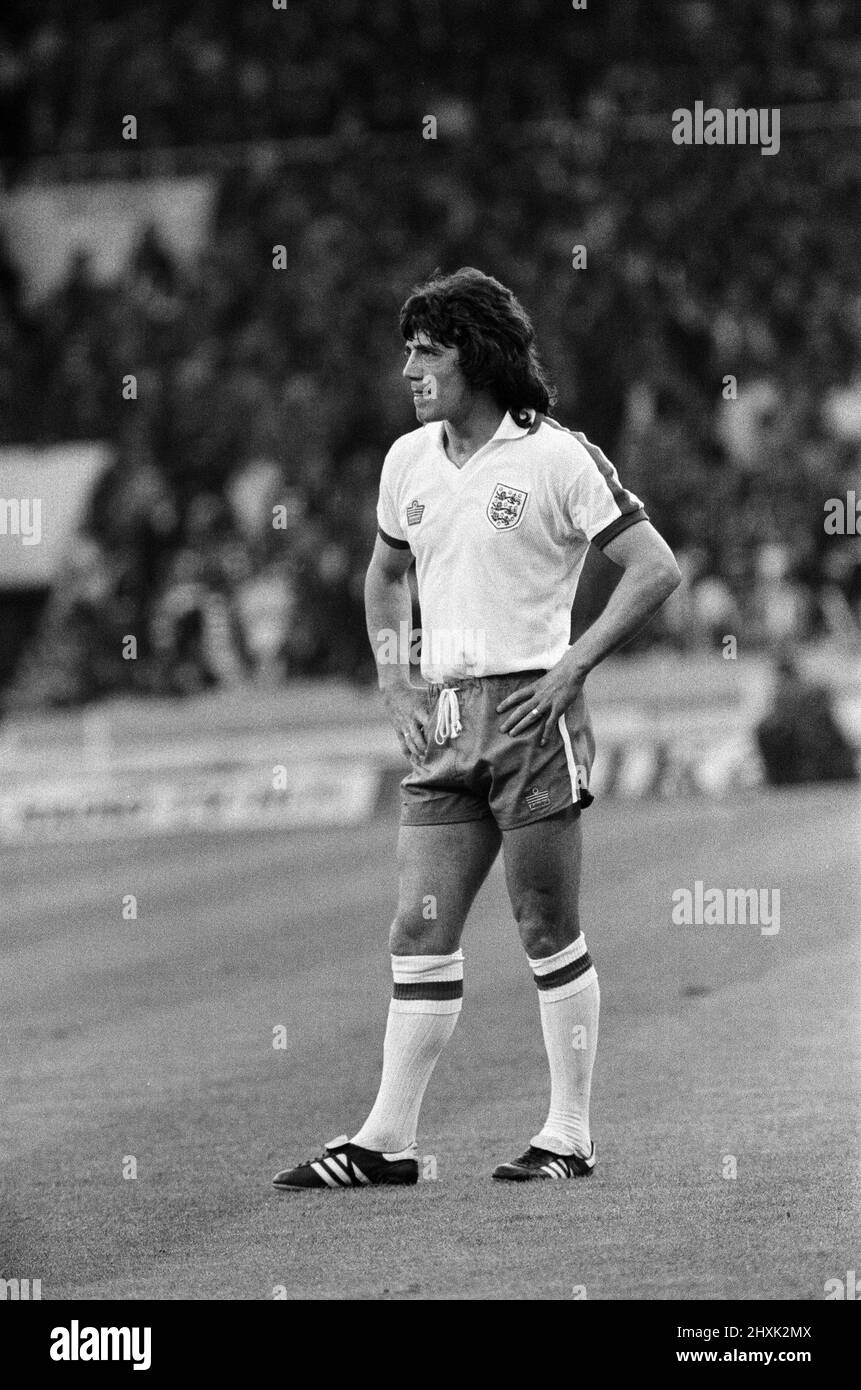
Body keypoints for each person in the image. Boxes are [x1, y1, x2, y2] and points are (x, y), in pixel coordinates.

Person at [273, 268, 680, 1191]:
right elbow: (382, 575)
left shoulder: (556, 457)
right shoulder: (407, 460)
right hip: (446, 719)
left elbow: (654, 569)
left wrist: (573, 666)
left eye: (429, 350)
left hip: (531, 713)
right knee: (416, 928)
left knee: (543, 926)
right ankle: (387, 1143)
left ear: (479, 357)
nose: (409, 368)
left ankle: (568, 1134)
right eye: (407, 350)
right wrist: (393, 679)